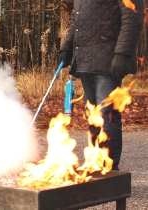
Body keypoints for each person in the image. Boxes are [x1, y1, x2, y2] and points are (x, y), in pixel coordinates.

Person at [59, 0, 144, 171]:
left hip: (108, 62)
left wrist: (122, 53)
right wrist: (67, 47)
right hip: (84, 62)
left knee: (107, 115)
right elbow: (77, 22)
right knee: (93, 116)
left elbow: (132, 16)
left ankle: (110, 171)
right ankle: (96, 164)